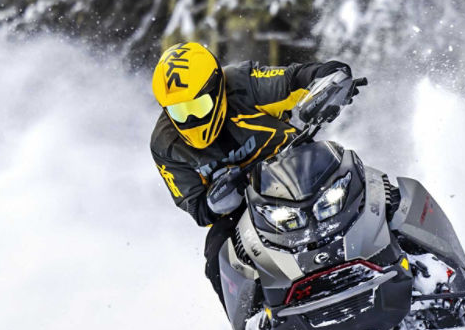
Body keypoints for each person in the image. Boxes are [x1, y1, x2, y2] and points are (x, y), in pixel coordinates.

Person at [149, 42, 366, 304]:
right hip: (244, 210)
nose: (191, 120)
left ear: (216, 87)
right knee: (217, 251)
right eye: (179, 112)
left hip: (300, 170)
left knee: (359, 178)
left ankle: (417, 256)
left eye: (198, 106)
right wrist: (216, 200)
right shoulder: (166, 146)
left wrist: (329, 77)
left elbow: (293, 79)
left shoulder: (243, 83)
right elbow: (195, 206)